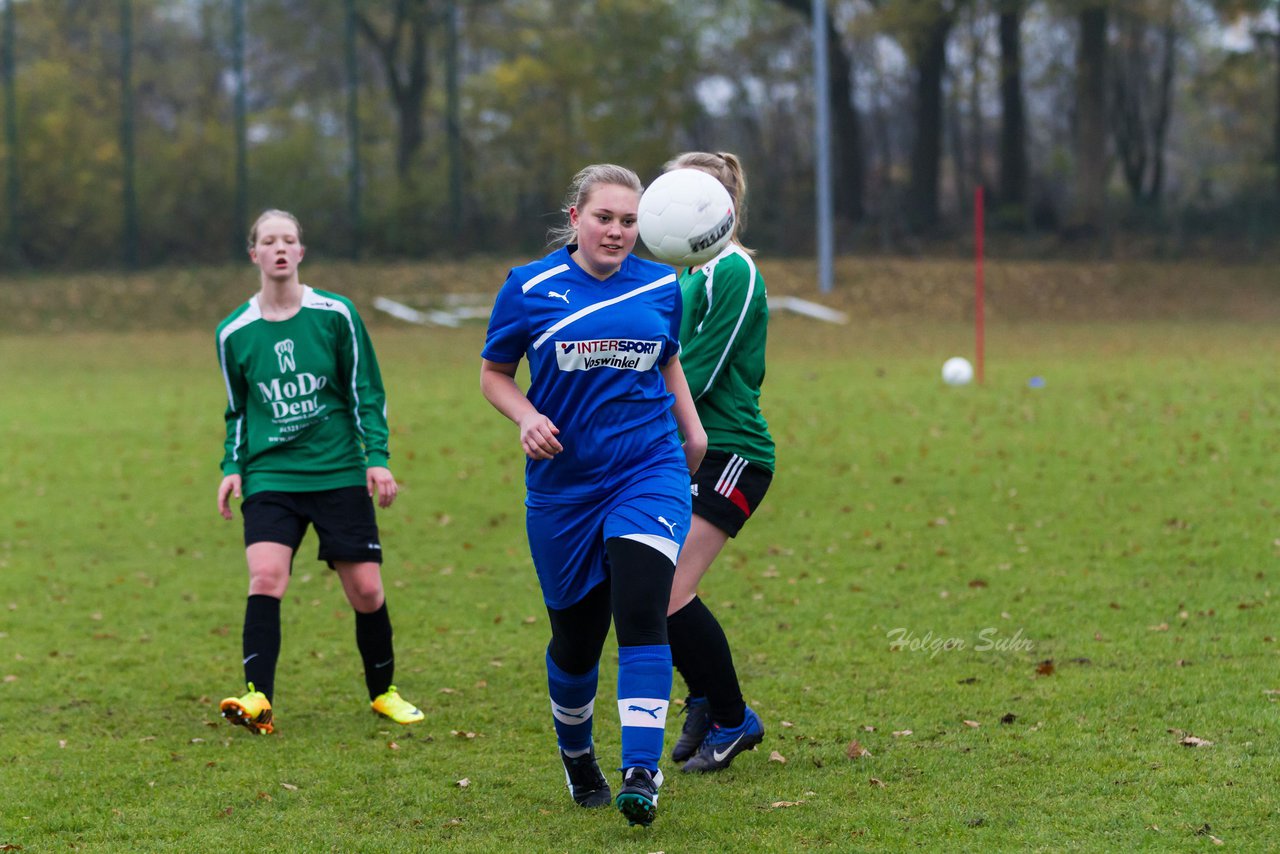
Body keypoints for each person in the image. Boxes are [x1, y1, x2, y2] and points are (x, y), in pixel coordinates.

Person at [480, 165, 707, 827]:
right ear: (575, 217)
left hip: (648, 469)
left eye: (629, 221)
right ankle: (578, 755)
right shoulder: (529, 286)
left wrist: (690, 430)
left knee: (642, 609)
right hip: (564, 490)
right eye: (604, 218)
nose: (616, 231)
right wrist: (526, 417)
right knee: (576, 643)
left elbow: (667, 359)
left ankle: (642, 769)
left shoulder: (664, 284)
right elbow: (495, 374)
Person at [214, 209, 423, 735]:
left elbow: (365, 392)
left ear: (300, 252)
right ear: (254, 254)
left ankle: (384, 694)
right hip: (271, 477)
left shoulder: (336, 315)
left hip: (336, 471)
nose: (280, 248)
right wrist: (232, 467)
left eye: (289, 240)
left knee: (367, 592)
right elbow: (237, 410)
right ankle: (258, 698)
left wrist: (376, 458)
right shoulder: (233, 333)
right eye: (269, 240)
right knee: (265, 575)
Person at [662, 152, 774, 772]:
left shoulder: (731, 270)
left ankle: (734, 720)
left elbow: (694, 374)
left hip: (731, 451)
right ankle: (704, 696)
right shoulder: (686, 273)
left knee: (671, 590)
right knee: (650, 586)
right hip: (685, 449)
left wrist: (632, 418)